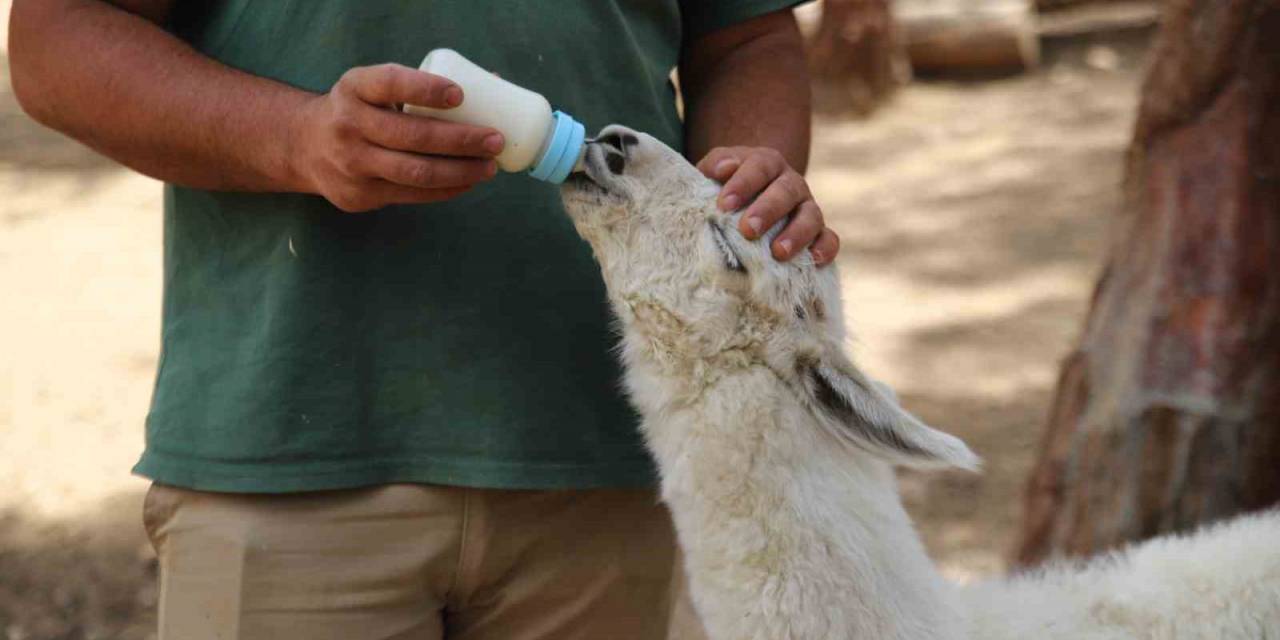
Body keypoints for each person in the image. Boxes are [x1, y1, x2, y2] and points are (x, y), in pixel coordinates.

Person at [9, 1, 839, 638]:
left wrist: (739, 188)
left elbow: (746, 39)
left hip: (617, 461)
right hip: (289, 460)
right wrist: (295, 139)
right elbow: (58, 39)